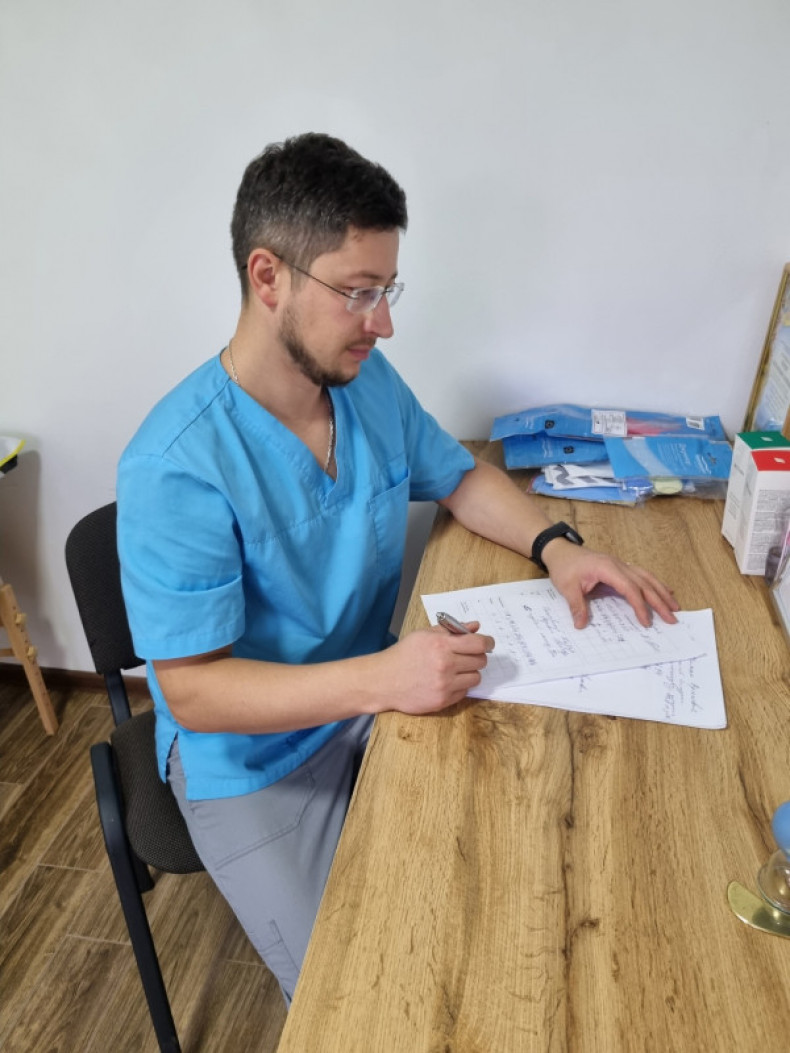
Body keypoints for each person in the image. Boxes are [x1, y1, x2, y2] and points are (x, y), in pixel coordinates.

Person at [116, 132, 678, 1004]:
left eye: (388, 290)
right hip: (254, 763)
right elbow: (192, 692)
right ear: (268, 277)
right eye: (359, 292)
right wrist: (383, 677)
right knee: (366, 994)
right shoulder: (175, 464)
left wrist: (558, 548)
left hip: (376, 696)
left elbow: (459, 476)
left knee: (515, 884)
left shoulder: (364, 384)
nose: (383, 323)